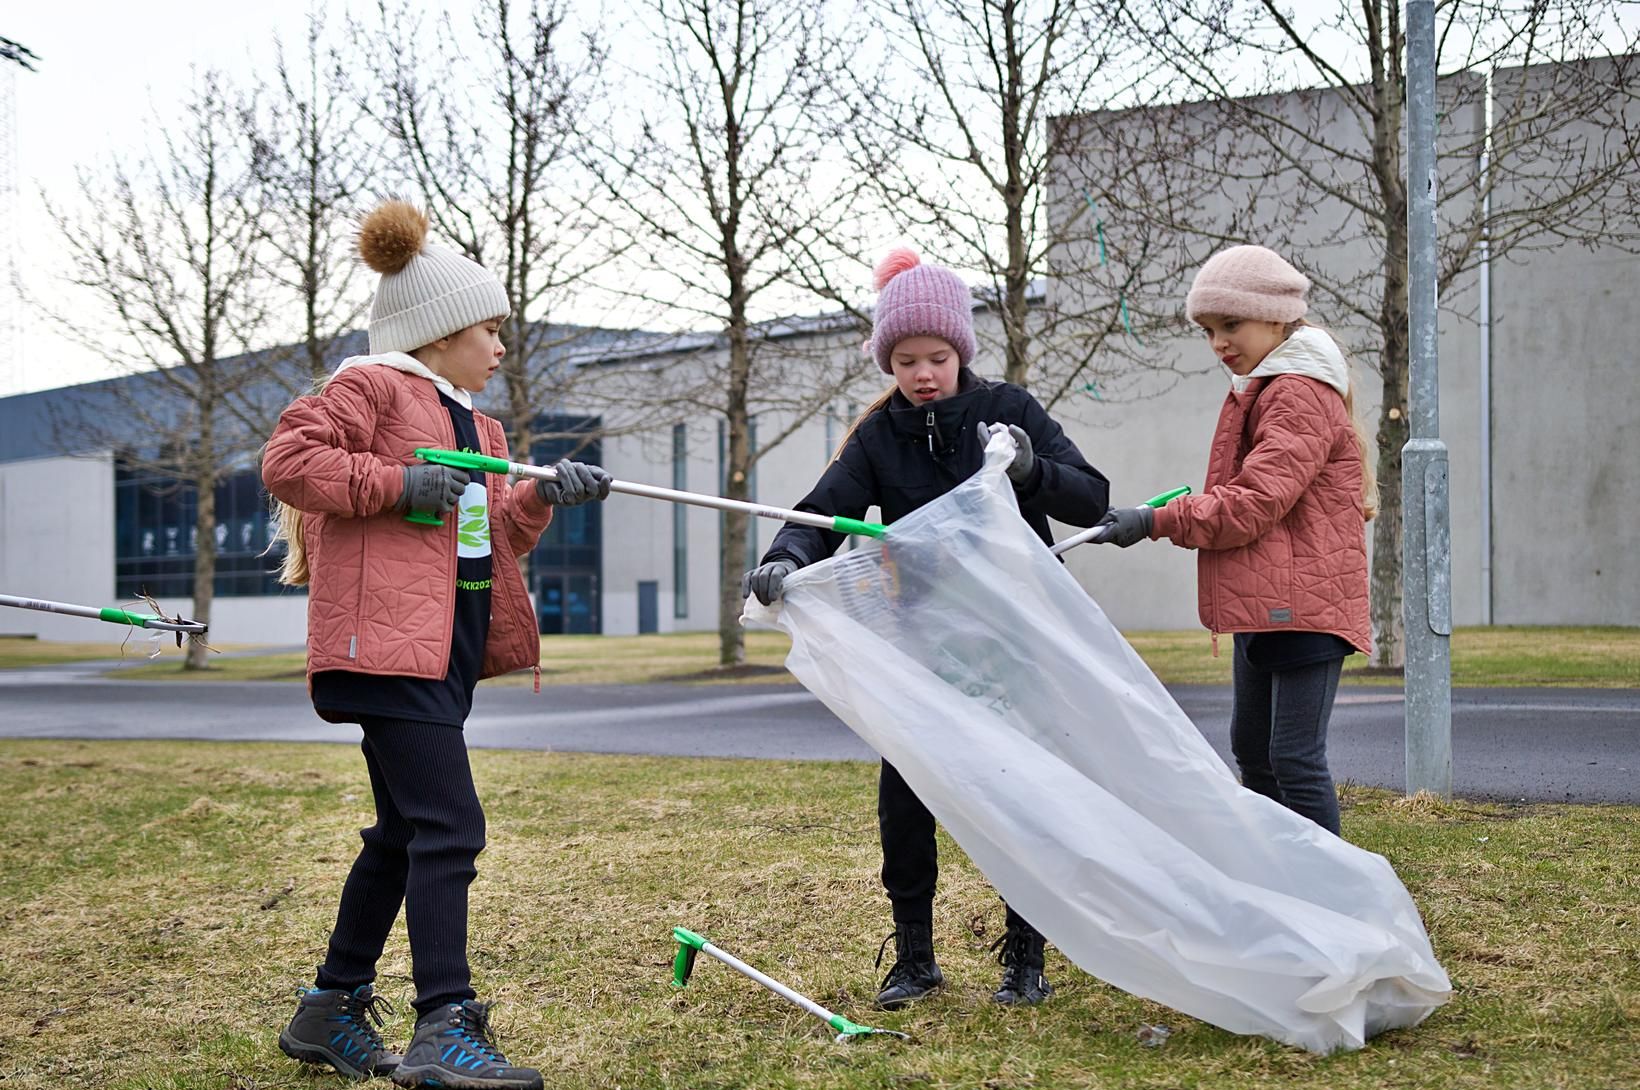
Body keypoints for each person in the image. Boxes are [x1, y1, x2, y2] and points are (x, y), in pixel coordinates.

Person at [262, 200, 611, 1090]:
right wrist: (398, 482)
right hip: (378, 649)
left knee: (403, 833)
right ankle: (442, 1026)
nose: (500, 348)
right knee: (451, 825)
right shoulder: (371, 386)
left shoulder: (480, 428)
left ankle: (328, 1009)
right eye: (490, 330)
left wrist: (540, 496)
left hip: (441, 653)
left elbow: (493, 537)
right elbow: (289, 461)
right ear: (438, 331)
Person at [742, 247, 1110, 1009]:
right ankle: (915, 957)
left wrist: (1028, 471)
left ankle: (1026, 958)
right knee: (906, 799)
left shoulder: (1011, 413)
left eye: (936, 356)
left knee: (1021, 796)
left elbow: (1090, 496)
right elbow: (821, 512)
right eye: (905, 359)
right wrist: (783, 558)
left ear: (960, 352)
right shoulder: (881, 436)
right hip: (922, 646)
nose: (922, 374)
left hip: (1017, 640)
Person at [1093, 245, 1377, 837]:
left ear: (1277, 318)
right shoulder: (1264, 386)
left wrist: (1154, 519)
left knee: (1295, 760)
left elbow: (1252, 503)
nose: (1219, 342)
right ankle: (1279, 880)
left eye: (1231, 324)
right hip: (1269, 604)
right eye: (1208, 330)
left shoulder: (1297, 392)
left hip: (1306, 608)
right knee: (1254, 752)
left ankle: (1327, 901)